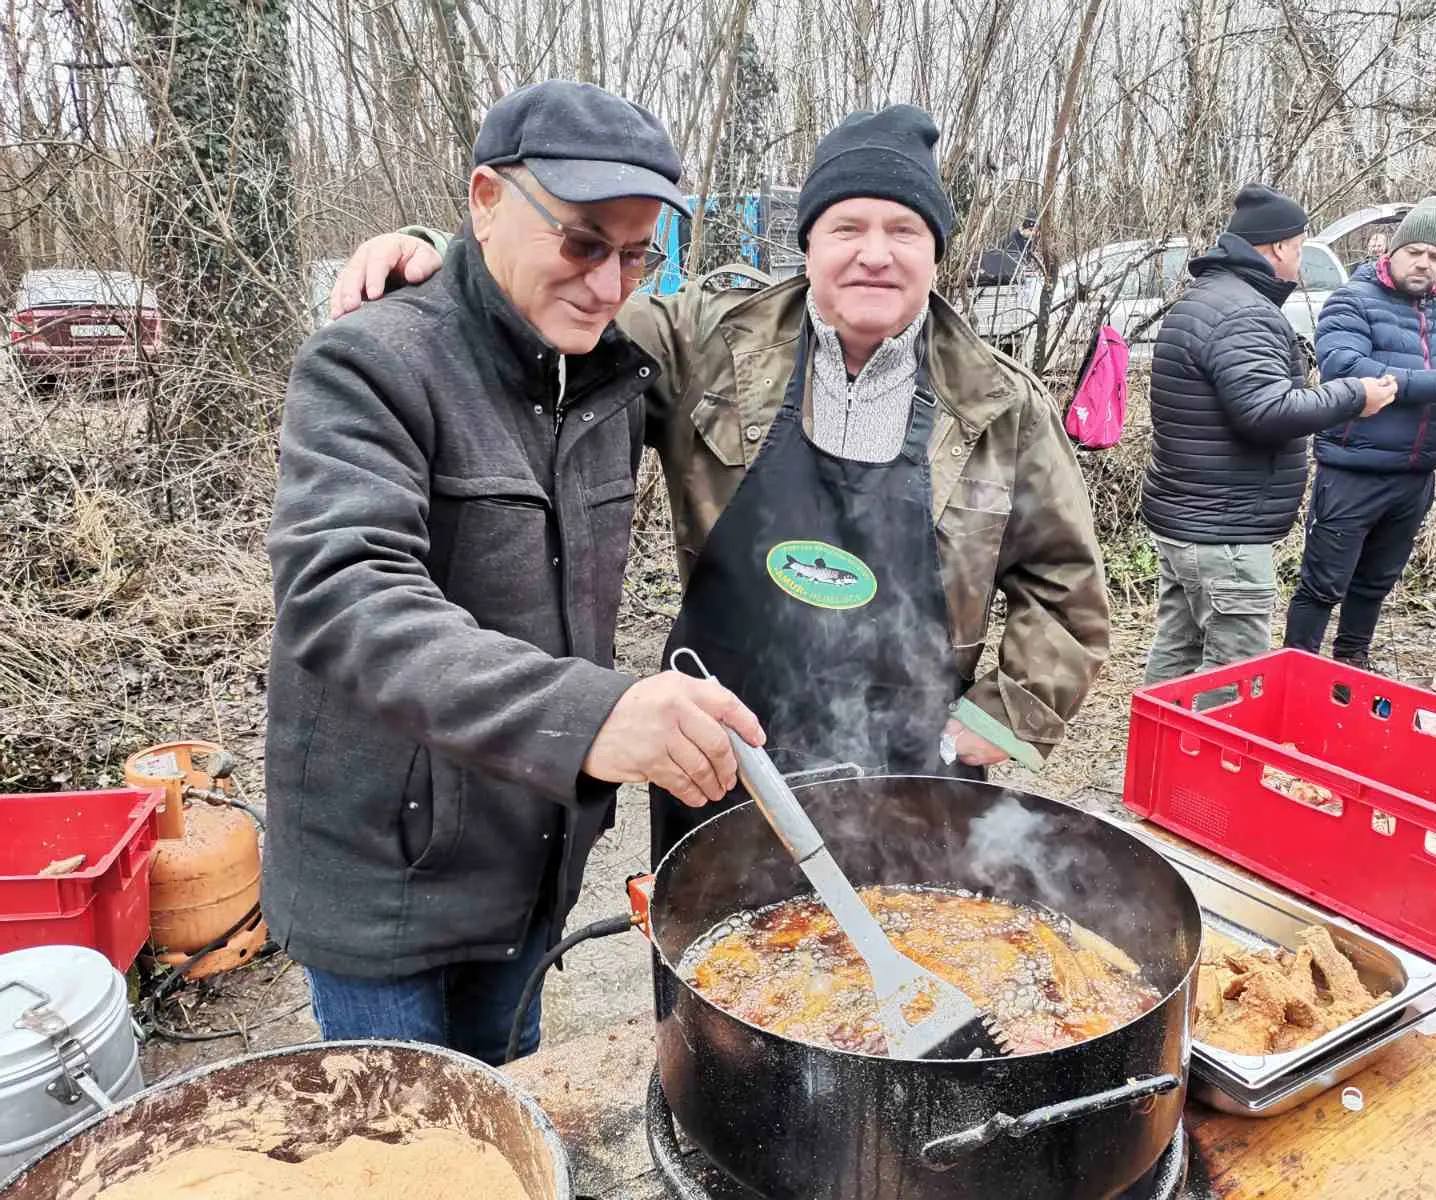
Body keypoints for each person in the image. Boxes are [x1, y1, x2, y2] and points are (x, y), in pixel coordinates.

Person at [331, 105, 1112, 866]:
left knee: (911, 937)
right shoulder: (706, 342)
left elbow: (1067, 584)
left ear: (935, 251)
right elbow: (558, 301)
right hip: (723, 751)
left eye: (903, 230)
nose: (875, 254)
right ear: (809, 243)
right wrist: (441, 259)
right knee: (718, 947)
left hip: (912, 769)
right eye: (847, 228)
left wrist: (1008, 717)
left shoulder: (999, 405)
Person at [264, 81, 763, 1066]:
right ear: (486, 199)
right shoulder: (371, 362)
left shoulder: (610, 379)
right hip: (385, 879)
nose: (608, 284)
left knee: (510, 1095)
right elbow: (344, 593)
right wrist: (595, 716)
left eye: (636, 255)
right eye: (582, 242)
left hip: (528, 860)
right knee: (410, 1134)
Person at [1140, 184, 1395, 684]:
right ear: (1278, 247)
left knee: (1179, 652)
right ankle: (1212, 740)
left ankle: (1158, 738)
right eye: (1299, 247)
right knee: (1233, 671)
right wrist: (1354, 395)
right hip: (1225, 531)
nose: (1300, 260)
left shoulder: (1205, 298)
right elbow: (1266, 410)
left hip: (1190, 521)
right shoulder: (1244, 313)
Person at [1283, 196, 1436, 668]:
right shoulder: (1352, 300)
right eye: (1415, 251)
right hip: (1352, 471)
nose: (1424, 263)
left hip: (1415, 475)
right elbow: (1343, 368)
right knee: (1322, 585)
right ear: (1393, 251)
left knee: (1374, 584)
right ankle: (1296, 672)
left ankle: (1351, 669)